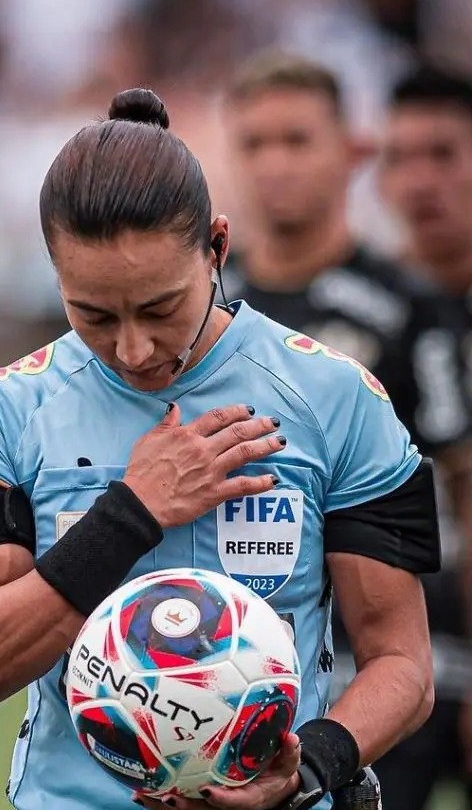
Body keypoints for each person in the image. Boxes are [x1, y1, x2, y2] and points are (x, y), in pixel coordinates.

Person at [0, 87, 438, 810]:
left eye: (160, 308)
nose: (132, 348)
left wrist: (304, 770)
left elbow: (403, 665)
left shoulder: (336, 397)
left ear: (216, 248)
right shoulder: (3, 412)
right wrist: (133, 511)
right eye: (92, 313)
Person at [218, 52, 472, 810]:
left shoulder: (408, 308)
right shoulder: (208, 309)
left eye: (297, 141)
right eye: (255, 144)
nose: (275, 165)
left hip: (397, 659)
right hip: (255, 662)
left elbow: (462, 487)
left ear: (349, 153)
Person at [378, 64, 472, 810]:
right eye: (398, 158)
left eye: (441, 154)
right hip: (395, 656)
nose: (418, 181)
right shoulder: (373, 314)